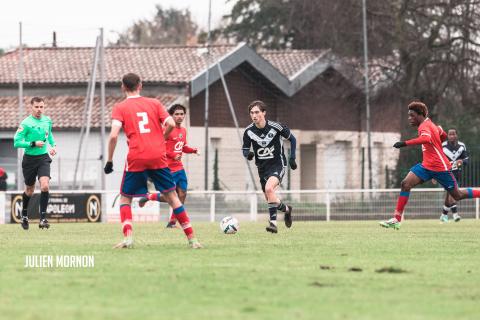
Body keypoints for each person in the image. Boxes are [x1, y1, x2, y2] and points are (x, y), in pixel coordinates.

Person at [104, 73, 202, 249]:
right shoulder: (155, 103)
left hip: (136, 156)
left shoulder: (120, 107)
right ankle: (192, 240)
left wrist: (110, 161)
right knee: (173, 197)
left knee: (125, 199)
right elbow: (171, 123)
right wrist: (159, 140)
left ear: (123, 87)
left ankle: (128, 238)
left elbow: (113, 136)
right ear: (140, 85)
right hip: (158, 155)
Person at [380, 101, 480, 230]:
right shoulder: (430, 124)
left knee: (457, 195)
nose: (409, 118)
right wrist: (439, 133)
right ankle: (396, 219)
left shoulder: (424, 127)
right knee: (406, 184)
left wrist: (404, 143)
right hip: (426, 166)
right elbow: (442, 135)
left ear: (420, 115)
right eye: (409, 115)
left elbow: (426, 139)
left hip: (440, 168)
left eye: (412, 115)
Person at [138, 104, 200, 228]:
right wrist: (172, 155)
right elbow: (158, 146)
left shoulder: (183, 130)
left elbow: (182, 147)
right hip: (167, 168)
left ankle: (172, 222)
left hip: (179, 168)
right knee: (171, 196)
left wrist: (193, 150)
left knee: (182, 194)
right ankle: (150, 196)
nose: (179, 116)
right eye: (176, 114)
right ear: (171, 116)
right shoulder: (166, 129)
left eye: (182, 114)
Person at [242, 100, 297, 233]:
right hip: (262, 169)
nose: (254, 115)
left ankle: (273, 223)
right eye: (251, 113)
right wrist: (248, 154)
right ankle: (287, 210)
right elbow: (244, 149)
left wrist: (292, 158)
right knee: (270, 198)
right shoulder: (249, 131)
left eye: (257, 112)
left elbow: (293, 139)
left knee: (269, 189)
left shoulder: (276, 127)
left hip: (278, 165)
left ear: (264, 113)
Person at [13, 97, 56, 230]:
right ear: (31, 107)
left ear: (44, 107)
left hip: (43, 158)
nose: (39, 110)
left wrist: (53, 146)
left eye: (41, 107)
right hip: (29, 160)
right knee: (30, 190)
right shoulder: (26, 123)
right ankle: (24, 215)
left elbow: (49, 135)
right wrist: (33, 143)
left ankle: (43, 219)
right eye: (36, 107)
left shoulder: (47, 120)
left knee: (44, 186)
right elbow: (16, 142)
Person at [440, 128, 469, 223]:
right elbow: (438, 159)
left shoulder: (462, 146)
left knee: (449, 193)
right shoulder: (442, 146)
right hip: (445, 173)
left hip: (457, 173)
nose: (451, 136)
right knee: (452, 192)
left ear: (457, 135)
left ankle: (443, 215)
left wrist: (462, 161)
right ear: (447, 136)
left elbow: (466, 159)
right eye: (449, 134)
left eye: (453, 134)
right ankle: (455, 215)